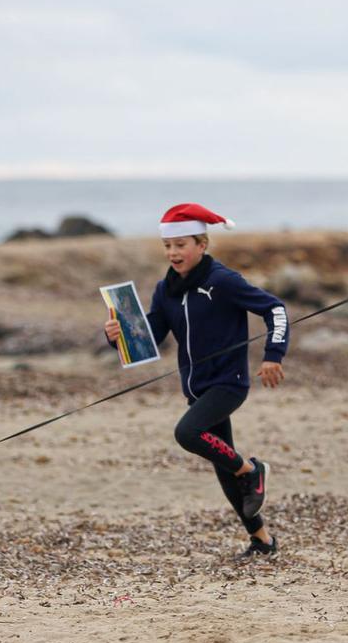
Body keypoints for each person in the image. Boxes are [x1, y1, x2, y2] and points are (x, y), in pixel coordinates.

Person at [103, 203, 289, 556]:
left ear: (201, 244)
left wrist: (273, 355)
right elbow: (150, 339)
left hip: (229, 382)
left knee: (187, 433)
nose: (173, 252)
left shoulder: (223, 281)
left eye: (181, 244)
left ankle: (252, 469)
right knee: (224, 469)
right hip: (196, 388)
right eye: (168, 246)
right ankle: (262, 540)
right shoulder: (165, 290)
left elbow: (274, 308)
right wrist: (117, 335)